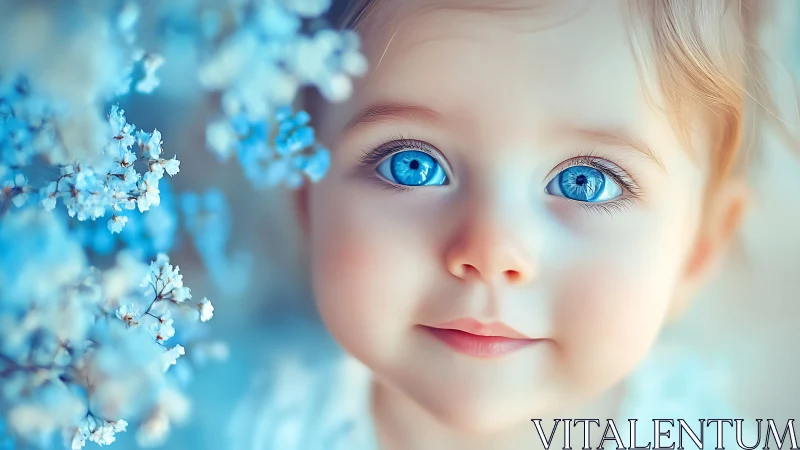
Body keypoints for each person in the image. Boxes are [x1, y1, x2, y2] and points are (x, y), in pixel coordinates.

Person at [231, 1, 796, 449]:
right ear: (305, 194)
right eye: (413, 165)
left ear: (696, 250)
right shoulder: (245, 423)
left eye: (586, 181)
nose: (491, 249)